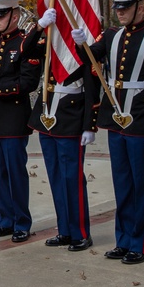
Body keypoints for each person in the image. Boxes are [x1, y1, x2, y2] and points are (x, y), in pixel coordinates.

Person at [72, 0, 144, 265]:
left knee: (142, 185)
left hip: (141, 118)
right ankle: (123, 240)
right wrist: (81, 44)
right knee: (122, 183)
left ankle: (141, 244)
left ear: (141, 7)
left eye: (126, 7)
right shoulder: (112, 34)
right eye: (117, 8)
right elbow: (90, 58)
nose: (121, 12)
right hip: (115, 117)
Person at [0, 0, 56, 243]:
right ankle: (5, 220)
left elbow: (28, 83)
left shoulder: (27, 44)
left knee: (15, 172)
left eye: (2, 16)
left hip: (14, 118)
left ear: (14, 16)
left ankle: (22, 222)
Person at [28, 47, 100, 252]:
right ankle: (65, 230)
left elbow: (92, 89)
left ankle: (81, 233)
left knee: (72, 179)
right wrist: (40, 26)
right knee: (56, 178)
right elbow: (28, 50)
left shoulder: (81, 45)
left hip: (71, 119)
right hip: (48, 116)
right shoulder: (51, 41)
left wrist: (89, 125)